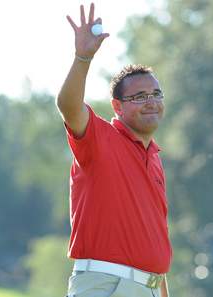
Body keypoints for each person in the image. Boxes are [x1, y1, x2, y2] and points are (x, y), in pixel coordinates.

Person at [57, 3, 172, 297]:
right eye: (140, 96)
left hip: (147, 287)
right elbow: (68, 106)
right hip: (105, 285)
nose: (151, 101)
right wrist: (83, 57)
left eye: (156, 94)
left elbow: (152, 239)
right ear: (118, 107)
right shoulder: (99, 138)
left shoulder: (155, 158)